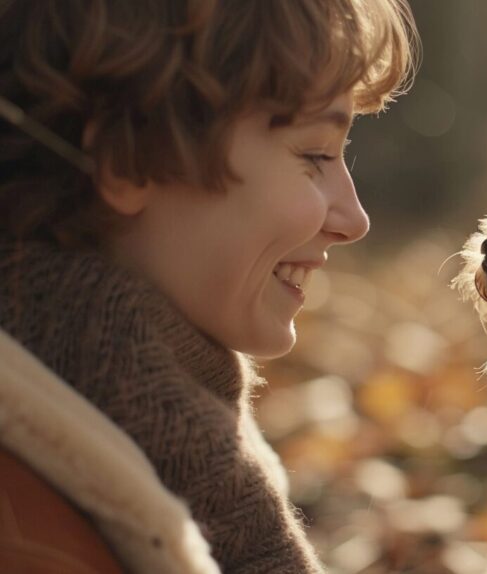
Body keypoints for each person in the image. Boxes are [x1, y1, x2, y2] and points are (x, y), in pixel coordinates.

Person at [0, 1, 417, 572]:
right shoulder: (31, 512)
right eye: (315, 154)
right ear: (131, 160)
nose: (354, 219)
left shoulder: (168, 420)